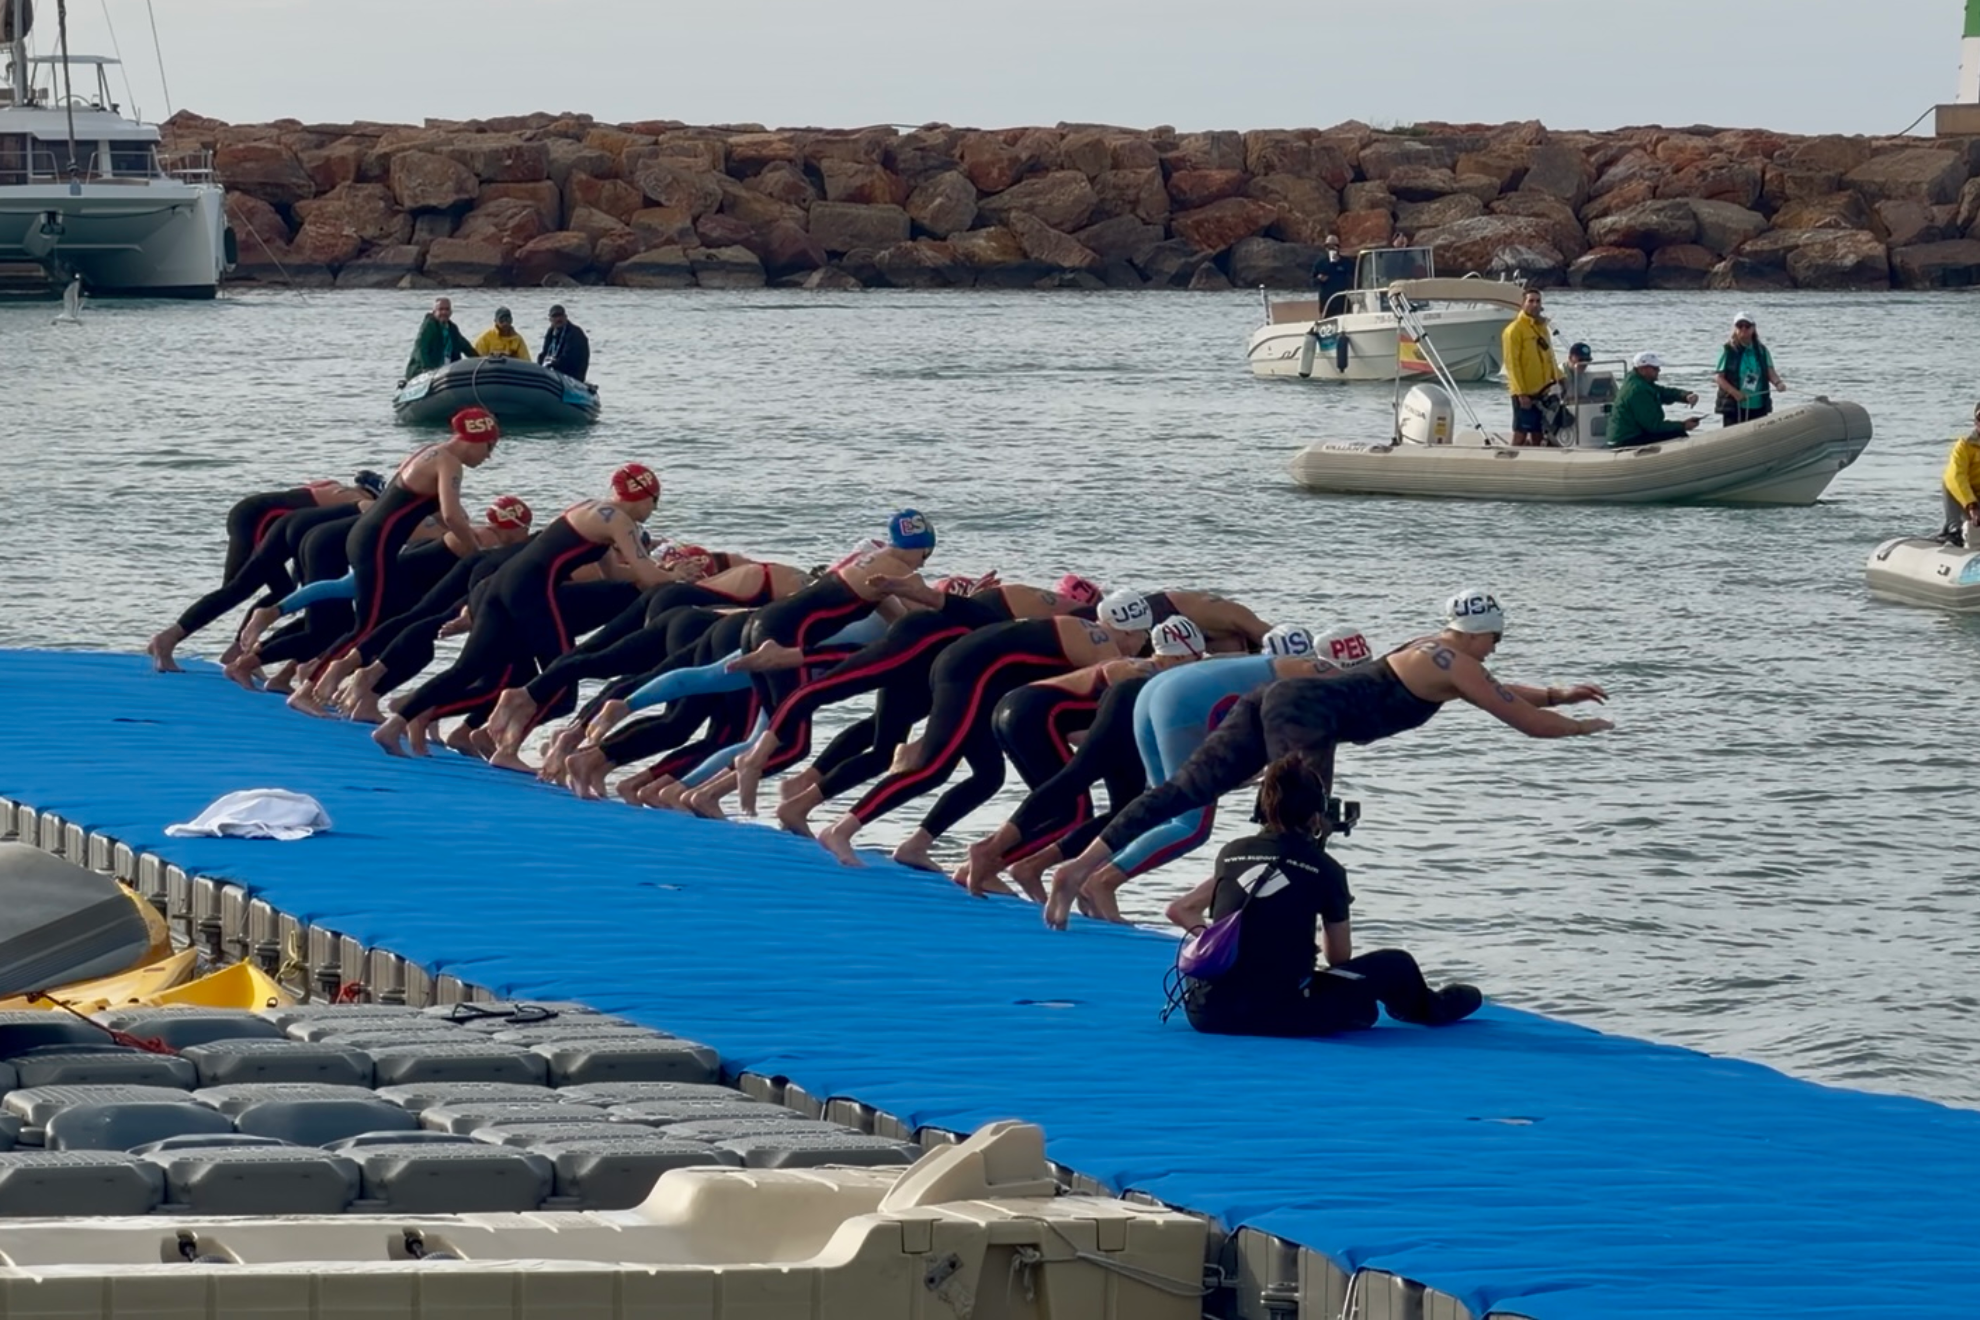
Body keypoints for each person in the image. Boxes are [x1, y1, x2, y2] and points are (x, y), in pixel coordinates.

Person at [1043, 589, 1613, 930]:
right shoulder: (1457, 665)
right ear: (1478, 633)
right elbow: (1523, 720)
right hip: (1307, 713)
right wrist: (1584, 728)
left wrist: (1556, 694)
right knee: (1301, 826)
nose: (1494, 650)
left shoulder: (1430, 650)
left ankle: (1078, 870)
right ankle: (1196, 907)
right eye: (1495, 640)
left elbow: (1498, 690)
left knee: (1185, 791)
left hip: (1278, 699)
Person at [1168, 751, 1482, 1039]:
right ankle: (1430, 1009)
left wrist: (1225, 941)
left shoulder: (1231, 853)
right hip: (1282, 1014)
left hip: (1208, 1014)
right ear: (1316, 815)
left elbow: (1180, 909)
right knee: (1396, 965)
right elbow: (1338, 958)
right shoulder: (1325, 868)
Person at [373, 463, 670, 756]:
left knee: (468, 668)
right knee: (562, 686)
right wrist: (680, 577)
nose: (653, 510)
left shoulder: (591, 509)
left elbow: (614, 574)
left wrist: (661, 573)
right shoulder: (620, 521)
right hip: (531, 591)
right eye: (654, 503)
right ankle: (506, 748)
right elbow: (647, 574)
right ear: (644, 496)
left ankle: (396, 723)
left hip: (501, 583)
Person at [147, 472, 382, 671]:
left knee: (277, 589)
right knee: (239, 588)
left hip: (259, 517)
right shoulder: (357, 500)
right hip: (262, 519)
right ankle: (170, 639)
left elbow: (306, 523)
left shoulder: (332, 486)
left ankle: (238, 649)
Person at [1500, 286, 1562, 447]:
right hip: (1524, 392)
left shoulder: (1542, 329)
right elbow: (1512, 364)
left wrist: (1560, 377)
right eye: (1531, 301)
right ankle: (1512, 456)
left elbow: (1549, 357)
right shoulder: (1513, 330)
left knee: (1538, 433)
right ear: (1523, 304)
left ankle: (1536, 456)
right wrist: (1521, 393)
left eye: (1538, 301)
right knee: (1521, 432)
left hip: (1542, 391)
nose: (1535, 304)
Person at [1607, 352, 1700, 448]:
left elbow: (1663, 392)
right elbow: (1653, 426)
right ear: (1642, 369)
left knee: (1675, 431)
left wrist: (1685, 396)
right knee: (1678, 434)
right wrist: (1683, 426)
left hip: (1631, 434)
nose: (1659, 370)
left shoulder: (1640, 383)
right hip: (1626, 439)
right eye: (1655, 368)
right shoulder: (1638, 390)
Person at [1712, 313, 1784, 428]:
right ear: (1735, 328)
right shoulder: (1727, 350)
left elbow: (1770, 371)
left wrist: (1778, 383)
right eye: (1740, 326)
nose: (1743, 329)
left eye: (1747, 326)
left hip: (1758, 404)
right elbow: (1718, 377)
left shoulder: (1761, 350)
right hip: (1735, 405)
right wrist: (1735, 393)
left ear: (1753, 328)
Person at [404, 297, 477, 380]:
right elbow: (421, 349)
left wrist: (479, 360)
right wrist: (428, 369)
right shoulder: (429, 327)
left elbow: (465, 346)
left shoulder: (452, 329)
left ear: (451, 312)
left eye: (447, 309)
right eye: (441, 309)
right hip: (424, 371)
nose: (444, 312)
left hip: (446, 371)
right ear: (434, 312)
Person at [1942, 405, 1980, 543]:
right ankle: (1954, 529)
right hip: (1970, 501)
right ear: (1975, 422)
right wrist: (1972, 505)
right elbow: (1956, 476)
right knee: (1949, 480)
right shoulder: (1964, 446)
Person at [539, 305, 590, 382]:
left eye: (560, 316)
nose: (558, 319)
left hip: (573, 376)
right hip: (555, 373)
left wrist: (552, 364)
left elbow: (569, 359)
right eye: (555, 316)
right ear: (550, 319)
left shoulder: (575, 333)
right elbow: (544, 352)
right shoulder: (551, 332)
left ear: (565, 317)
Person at [1309, 235, 1353, 314]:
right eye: (1328, 246)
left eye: (1334, 246)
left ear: (1338, 247)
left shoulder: (1346, 262)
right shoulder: (1320, 263)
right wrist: (1319, 279)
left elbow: (1354, 276)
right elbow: (1312, 282)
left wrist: (1338, 262)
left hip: (1342, 300)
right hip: (1326, 301)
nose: (1331, 249)